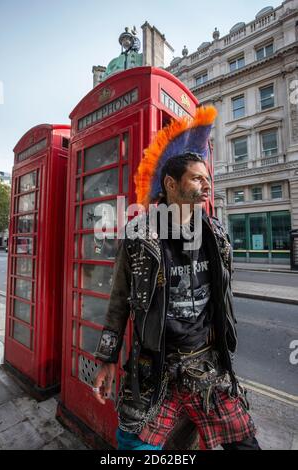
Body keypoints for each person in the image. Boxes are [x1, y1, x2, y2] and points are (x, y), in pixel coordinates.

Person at [93, 105, 260, 451]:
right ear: (171, 184)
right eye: (197, 178)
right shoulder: (139, 236)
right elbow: (119, 300)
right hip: (155, 370)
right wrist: (107, 358)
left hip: (208, 368)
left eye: (208, 180)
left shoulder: (216, 235)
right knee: (131, 443)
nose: (206, 186)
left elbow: (222, 300)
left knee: (244, 443)